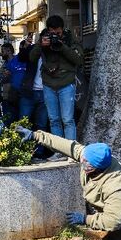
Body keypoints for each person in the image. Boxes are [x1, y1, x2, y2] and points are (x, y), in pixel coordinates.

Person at [29, 15, 83, 146]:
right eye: (52, 33)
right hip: (48, 84)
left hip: (66, 83)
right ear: (48, 30)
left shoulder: (69, 39)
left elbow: (78, 60)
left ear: (62, 29)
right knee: (53, 120)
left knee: (68, 119)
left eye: (58, 33)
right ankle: (59, 152)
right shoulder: (43, 39)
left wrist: (62, 46)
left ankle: (72, 151)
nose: (55, 36)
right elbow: (32, 59)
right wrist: (41, 45)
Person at [1, 41, 27, 122]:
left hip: (23, 93)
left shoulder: (20, 59)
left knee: (22, 118)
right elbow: (2, 81)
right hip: (11, 95)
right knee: (10, 118)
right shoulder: (5, 65)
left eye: (3, 51)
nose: (1, 54)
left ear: (9, 51)